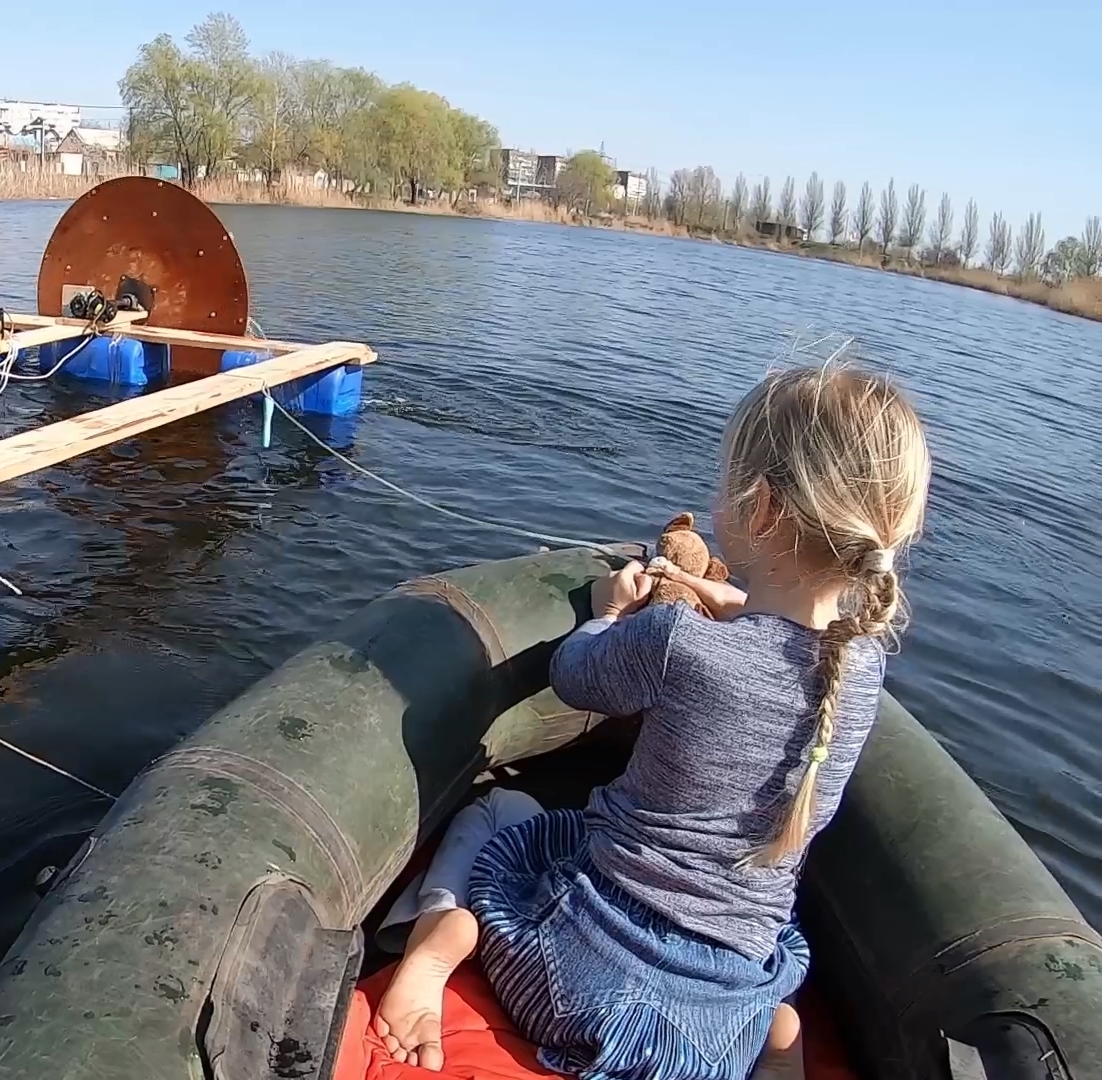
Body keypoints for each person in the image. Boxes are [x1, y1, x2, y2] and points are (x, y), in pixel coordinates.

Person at [370, 364, 932, 1080]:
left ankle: (433, 949)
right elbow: (777, 642)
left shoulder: (676, 641)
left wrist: (608, 612)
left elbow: (575, 675)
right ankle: (773, 1034)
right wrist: (730, 599)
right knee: (769, 946)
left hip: (576, 981)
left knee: (494, 822)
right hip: (722, 1020)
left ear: (759, 509)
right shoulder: (861, 672)